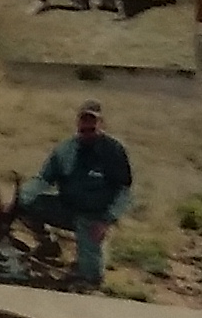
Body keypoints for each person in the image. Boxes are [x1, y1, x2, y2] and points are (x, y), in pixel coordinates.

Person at [27, 105, 136, 287]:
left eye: (92, 128)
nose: (87, 133)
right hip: (66, 207)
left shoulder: (114, 151)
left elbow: (124, 190)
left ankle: (86, 272)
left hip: (93, 218)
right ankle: (48, 246)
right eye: (83, 128)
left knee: (91, 278)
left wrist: (107, 220)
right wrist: (21, 197)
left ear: (102, 125)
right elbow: (43, 179)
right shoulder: (65, 150)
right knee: (28, 205)